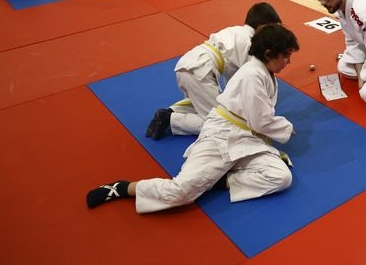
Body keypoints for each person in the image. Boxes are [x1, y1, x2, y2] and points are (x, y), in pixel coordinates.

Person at [86, 24, 300, 213]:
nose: (289, 62)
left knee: (280, 177)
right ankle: (123, 188)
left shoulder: (262, 70)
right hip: (222, 135)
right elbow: (260, 121)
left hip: (245, 137)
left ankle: (222, 180)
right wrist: (286, 127)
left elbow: (258, 119)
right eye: (286, 55)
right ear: (270, 53)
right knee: (182, 193)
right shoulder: (253, 74)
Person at [145, 2, 283, 139]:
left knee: (216, 103)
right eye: (272, 29)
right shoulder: (251, 43)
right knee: (219, 123)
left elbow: (235, 77)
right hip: (199, 72)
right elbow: (255, 76)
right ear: (262, 27)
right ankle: (170, 119)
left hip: (189, 65)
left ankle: (173, 110)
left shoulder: (236, 31)